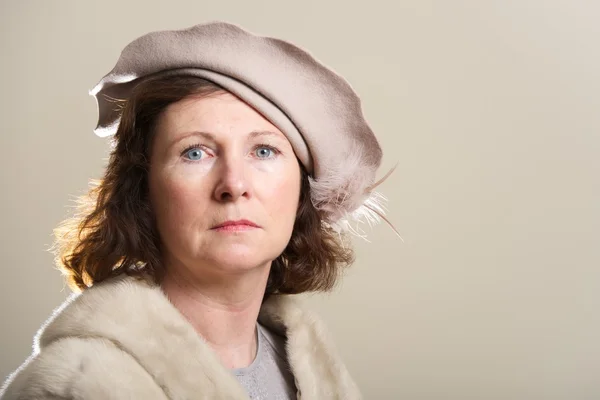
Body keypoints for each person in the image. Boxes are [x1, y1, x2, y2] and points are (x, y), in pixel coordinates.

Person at [0, 21, 393, 399]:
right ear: (143, 191)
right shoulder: (78, 385)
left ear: (300, 194)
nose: (234, 185)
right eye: (195, 152)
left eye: (263, 151)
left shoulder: (313, 371)